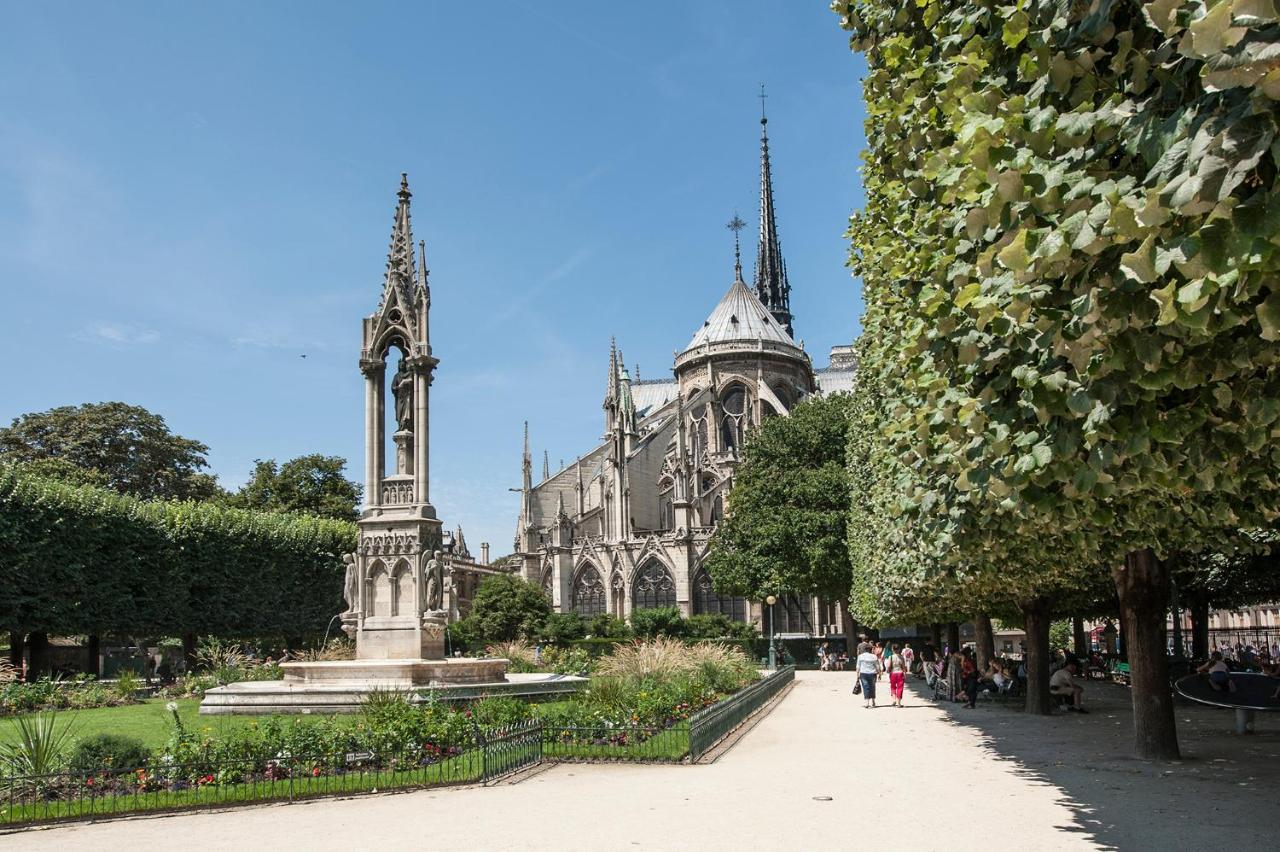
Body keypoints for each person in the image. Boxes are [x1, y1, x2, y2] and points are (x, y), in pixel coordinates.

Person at [856, 643, 880, 709]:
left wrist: (857, 675)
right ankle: (873, 701)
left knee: (866, 687)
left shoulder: (860, 656)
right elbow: (877, 666)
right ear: (871, 650)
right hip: (872, 673)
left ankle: (867, 702)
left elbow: (858, 667)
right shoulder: (874, 656)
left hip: (863, 673)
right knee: (872, 687)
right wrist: (879, 674)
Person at [887, 644, 907, 708]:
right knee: (900, 688)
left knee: (893, 687)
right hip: (900, 673)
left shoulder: (891, 657)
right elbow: (904, 667)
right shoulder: (901, 657)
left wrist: (888, 670)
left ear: (892, 649)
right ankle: (899, 703)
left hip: (893, 673)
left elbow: (889, 665)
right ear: (899, 649)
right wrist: (905, 673)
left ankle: (894, 700)